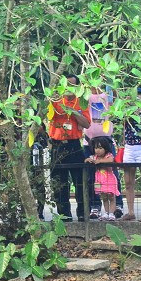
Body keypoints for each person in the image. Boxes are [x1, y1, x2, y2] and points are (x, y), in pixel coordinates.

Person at [46, 74, 91, 222]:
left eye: (72, 85)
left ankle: (83, 213)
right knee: (60, 182)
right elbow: (49, 117)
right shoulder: (55, 101)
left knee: (80, 180)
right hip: (57, 145)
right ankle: (64, 214)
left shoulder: (81, 102)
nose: (69, 88)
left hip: (74, 144)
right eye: (66, 85)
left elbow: (87, 124)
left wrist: (73, 114)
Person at [82, 85, 123, 219]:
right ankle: (95, 207)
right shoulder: (85, 95)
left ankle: (117, 205)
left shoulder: (107, 95)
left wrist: (112, 84)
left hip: (106, 141)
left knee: (113, 173)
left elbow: (116, 99)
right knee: (92, 176)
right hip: (89, 141)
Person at [120, 87, 141, 221]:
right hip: (129, 147)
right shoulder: (126, 113)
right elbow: (124, 128)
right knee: (128, 181)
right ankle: (130, 211)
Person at [85, 137, 118, 220]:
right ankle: (106, 212)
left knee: (111, 197)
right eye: (96, 148)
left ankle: (112, 213)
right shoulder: (95, 157)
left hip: (109, 180)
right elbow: (86, 159)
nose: (98, 150)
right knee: (104, 197)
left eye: (100, 148)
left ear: (105, 148)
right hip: (99, 181)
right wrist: (89, 160)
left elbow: (111, 160)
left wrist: (100, 161)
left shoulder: (108, 155)